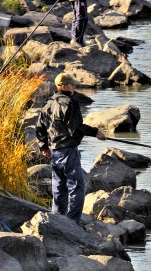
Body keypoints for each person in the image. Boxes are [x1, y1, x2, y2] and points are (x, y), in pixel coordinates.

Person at [36, 73, 106, 225]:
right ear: (63, 86)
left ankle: (57, 219)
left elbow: (40, 127)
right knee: (76, 186)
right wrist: (96, 132)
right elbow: (76, 128)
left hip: (55, 151)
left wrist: (43, 146)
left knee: (59, 186)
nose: (74, 87)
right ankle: (72, 223)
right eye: (72, 85)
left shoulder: (48, 103)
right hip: (68, 151)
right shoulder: (70, 103)